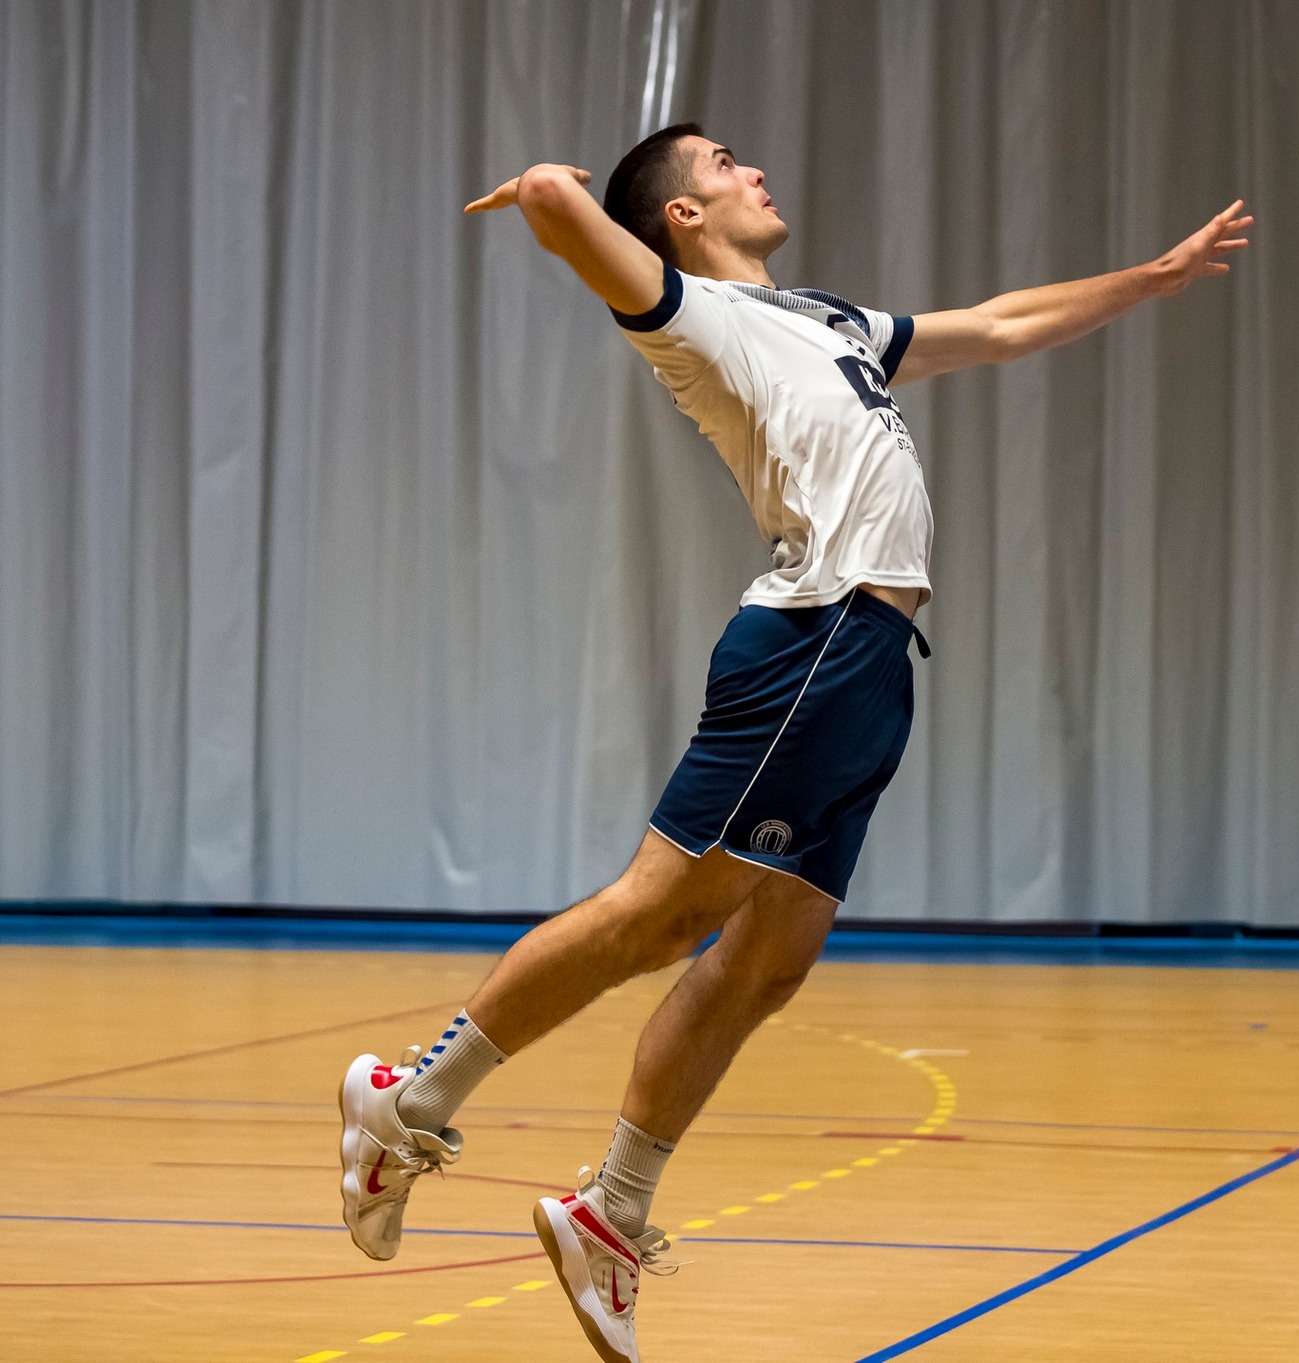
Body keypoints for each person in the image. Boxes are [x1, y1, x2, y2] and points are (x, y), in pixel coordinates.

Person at [334, 121, 1252, 1363]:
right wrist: (548, 188)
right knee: (665, 911)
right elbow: (558, 203)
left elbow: (997, 322)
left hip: (872, 662)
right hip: (813, 637)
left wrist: (1145, 278)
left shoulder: (825, 321)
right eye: (718, 164)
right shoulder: (689, 312)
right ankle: (408, 1101)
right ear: (682, 219)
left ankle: (611, 1210)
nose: (750, 168)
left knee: (770, 956)